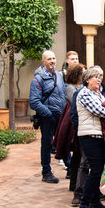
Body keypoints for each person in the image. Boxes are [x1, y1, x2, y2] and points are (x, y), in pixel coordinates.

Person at [75, 68, 105, 208]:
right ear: (87, 80)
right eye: (94, 77)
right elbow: (102, 111)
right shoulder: (84, 93)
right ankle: (84, 205)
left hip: (99, 135)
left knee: (98, 170)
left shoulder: (97, 93)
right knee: (95, 170)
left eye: (99, 77)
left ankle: (95, 201)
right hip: (89, 136)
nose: (98, 79)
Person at [29, 50, 66, 183]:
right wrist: (48, 114)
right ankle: (46, 172)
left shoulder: (59, 76)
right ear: (43, 61)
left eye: (54, 58)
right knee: (46, 145)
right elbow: (33, 101)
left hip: (60, 116)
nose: (52, 61)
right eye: (49, 59)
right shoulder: (38, 79)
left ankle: (70, 167)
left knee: (63, 141)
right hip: (48, 117)